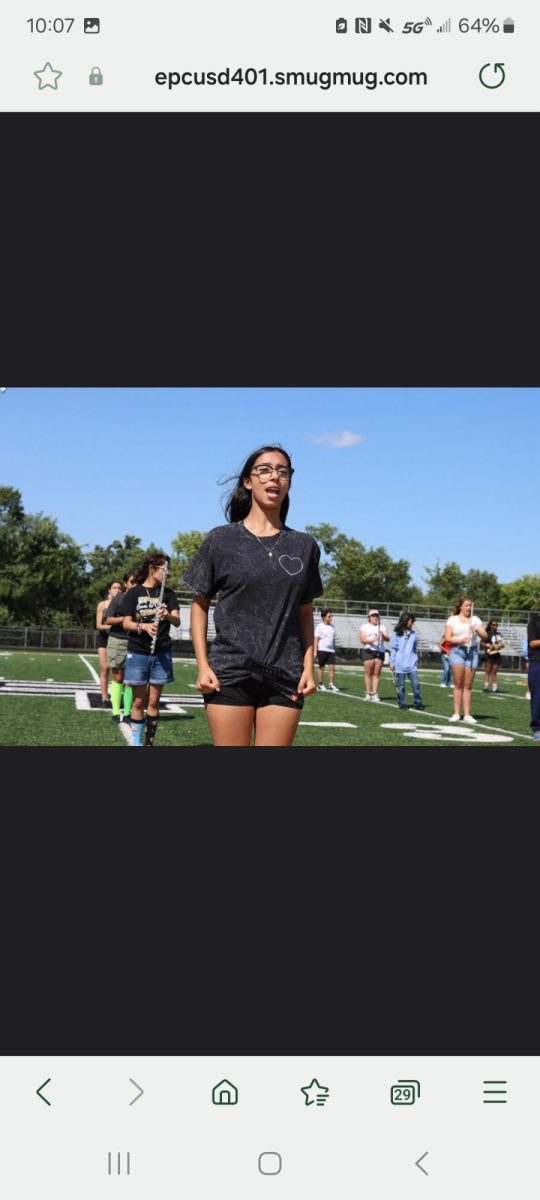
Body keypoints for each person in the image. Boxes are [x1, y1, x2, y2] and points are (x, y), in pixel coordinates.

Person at [181, 444, 322, 747]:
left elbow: (305, 612)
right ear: (248, 481)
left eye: (283, 472)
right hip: (229, 671)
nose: (275, 477)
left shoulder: (305, 545)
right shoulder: (221, 539)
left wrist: (309, 667)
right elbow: (199, 604)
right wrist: (203, 665)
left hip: (285, 675)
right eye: (265, 470)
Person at [121, 553, 180, 746]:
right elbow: (126, 623)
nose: (167, 573)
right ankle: (136, 743)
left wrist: (167, 616)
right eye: (164, 569)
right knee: (138, 702)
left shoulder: (168, 594)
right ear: (152, 569)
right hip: (138, 651)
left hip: (161, 651)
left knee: (153, 703)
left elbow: (177, 621)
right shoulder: (134, 593)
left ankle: (149, 743)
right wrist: (143, 627)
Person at [444, 596, 489, 724]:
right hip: (458, 651)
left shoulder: (475, 619)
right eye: (466, 605)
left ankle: (467, 714)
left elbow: (485, 636)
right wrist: (461, 640)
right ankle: (456, 713)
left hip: (472, 652)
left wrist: (476, 630)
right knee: (458, 683)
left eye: (470, 605)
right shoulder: (453, 619)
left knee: (468, 685)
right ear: (461, 606)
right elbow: (448, 637)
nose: (469, 608)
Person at [105, 571, 138, 724]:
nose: (135, 584)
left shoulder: (142, 600)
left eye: (138, 581)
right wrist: (124, 619)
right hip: (118, 641)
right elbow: (109, 620)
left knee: (130, 680)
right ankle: (115, 713)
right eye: (132, 581)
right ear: (126, 584)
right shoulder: (119, 599)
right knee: (117, 677)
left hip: (135, 642)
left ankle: (127, 713)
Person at [95, 580, 123, 708]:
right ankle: (104, 698)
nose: (117, 590)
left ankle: (116, 697)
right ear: (109, 590)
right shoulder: (102, 604)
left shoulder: (123, 603)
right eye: (114, 587)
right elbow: (98, 625)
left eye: (119, 588)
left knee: (117, 670)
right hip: (104, 638)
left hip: (118, 638)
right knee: (105, 668)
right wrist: (109, 626)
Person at [390, 612, 425, 710]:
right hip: (399, 664)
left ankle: (418, 703)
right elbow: (393, 648)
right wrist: (392, 662)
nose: (412, 623)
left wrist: (415, 659)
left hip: (411, 664)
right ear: (405, 621)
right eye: (411, 621)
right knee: (400, 686)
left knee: (416, 685)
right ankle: (402, 703)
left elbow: (414, 648)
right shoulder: (396, 634)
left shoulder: (413, 634)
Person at [359, 609, 390, 702]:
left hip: (379, 651)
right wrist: (373, 640)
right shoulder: (364, 627)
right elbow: (362, 639)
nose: (375, 617)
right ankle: (368, 693)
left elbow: (388, 638)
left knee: (377, 674)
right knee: (368, 673)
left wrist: (383, 636)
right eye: (373, 616)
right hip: (369, 651)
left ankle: (375, 694)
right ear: (369, 617)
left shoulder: (382, 627)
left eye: (376, 616)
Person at [314, 609, 339, 692]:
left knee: (332, 667)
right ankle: (320, 684)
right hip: (322, 649)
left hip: (331, 650)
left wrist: (334, 649)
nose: (331, 618)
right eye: (329, 616)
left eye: (331, 616)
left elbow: (333, 639)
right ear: (324, 617)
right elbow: (316, 639)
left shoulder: (333, 626)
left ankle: (331, 684)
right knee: (321, 667)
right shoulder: (319, 627)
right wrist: (315, 651)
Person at [479, 618, 505, 693]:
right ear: (490, 625)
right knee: (487, 671)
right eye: (494, 625)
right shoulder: (486, 633)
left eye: (496, 625)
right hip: (489, 654)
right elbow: (481, 642)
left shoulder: (498, 634)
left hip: (496, 655)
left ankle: (495, 688)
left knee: (494, 672)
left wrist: (501, 645)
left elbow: (501, 643)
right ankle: (486, 687)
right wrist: (488, 645)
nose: (495, 626)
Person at [526, 602, 540, 742]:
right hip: (537, 661)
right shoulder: (534, 622)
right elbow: (532, 643)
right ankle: (537, 728)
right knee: (538, 697)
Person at [522, 634, 531, 700]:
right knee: (530, 676)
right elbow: (525, 650)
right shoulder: (529, 638)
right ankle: (528, 692)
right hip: (529, 659)